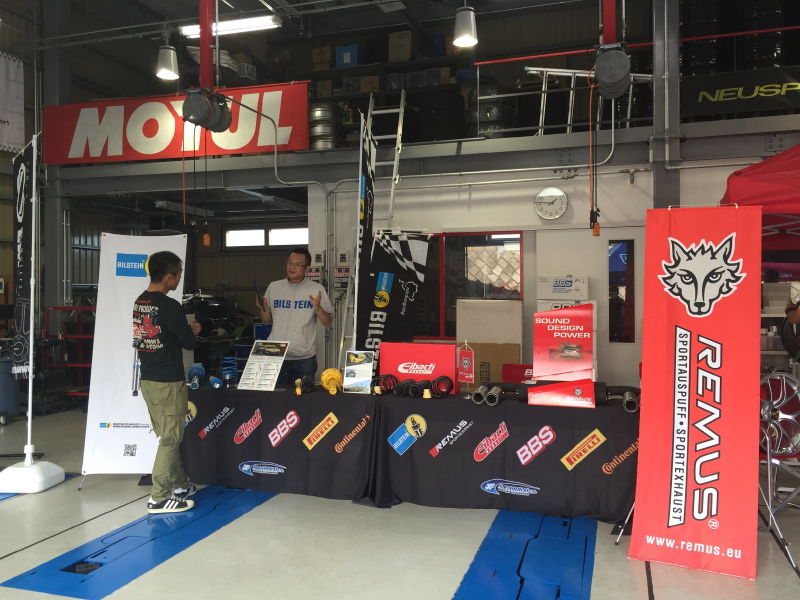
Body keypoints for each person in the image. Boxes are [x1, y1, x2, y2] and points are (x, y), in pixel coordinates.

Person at [133, 251, 202, 514]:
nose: (179, 279)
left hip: (149, 379)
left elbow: (157, 335)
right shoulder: (169, 305)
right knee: (171, 439)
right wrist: (194, 330)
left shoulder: (140, 302)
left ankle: (180, 485)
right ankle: (159, 497)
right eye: (179, 275)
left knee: (167, 434)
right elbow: (189, 342)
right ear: (168, 277)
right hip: (168, 381)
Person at [257, 247, 333, 386]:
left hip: (304, 359)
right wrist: (263, 309)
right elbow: (266, 321)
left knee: (303, 398)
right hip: (275, 355)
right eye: (289, 263)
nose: (291, 267)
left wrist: (318, 308)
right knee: (274, 397)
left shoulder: (316, 289)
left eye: (297, 264)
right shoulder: (274, 287)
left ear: (307, 268)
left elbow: (328, 323)